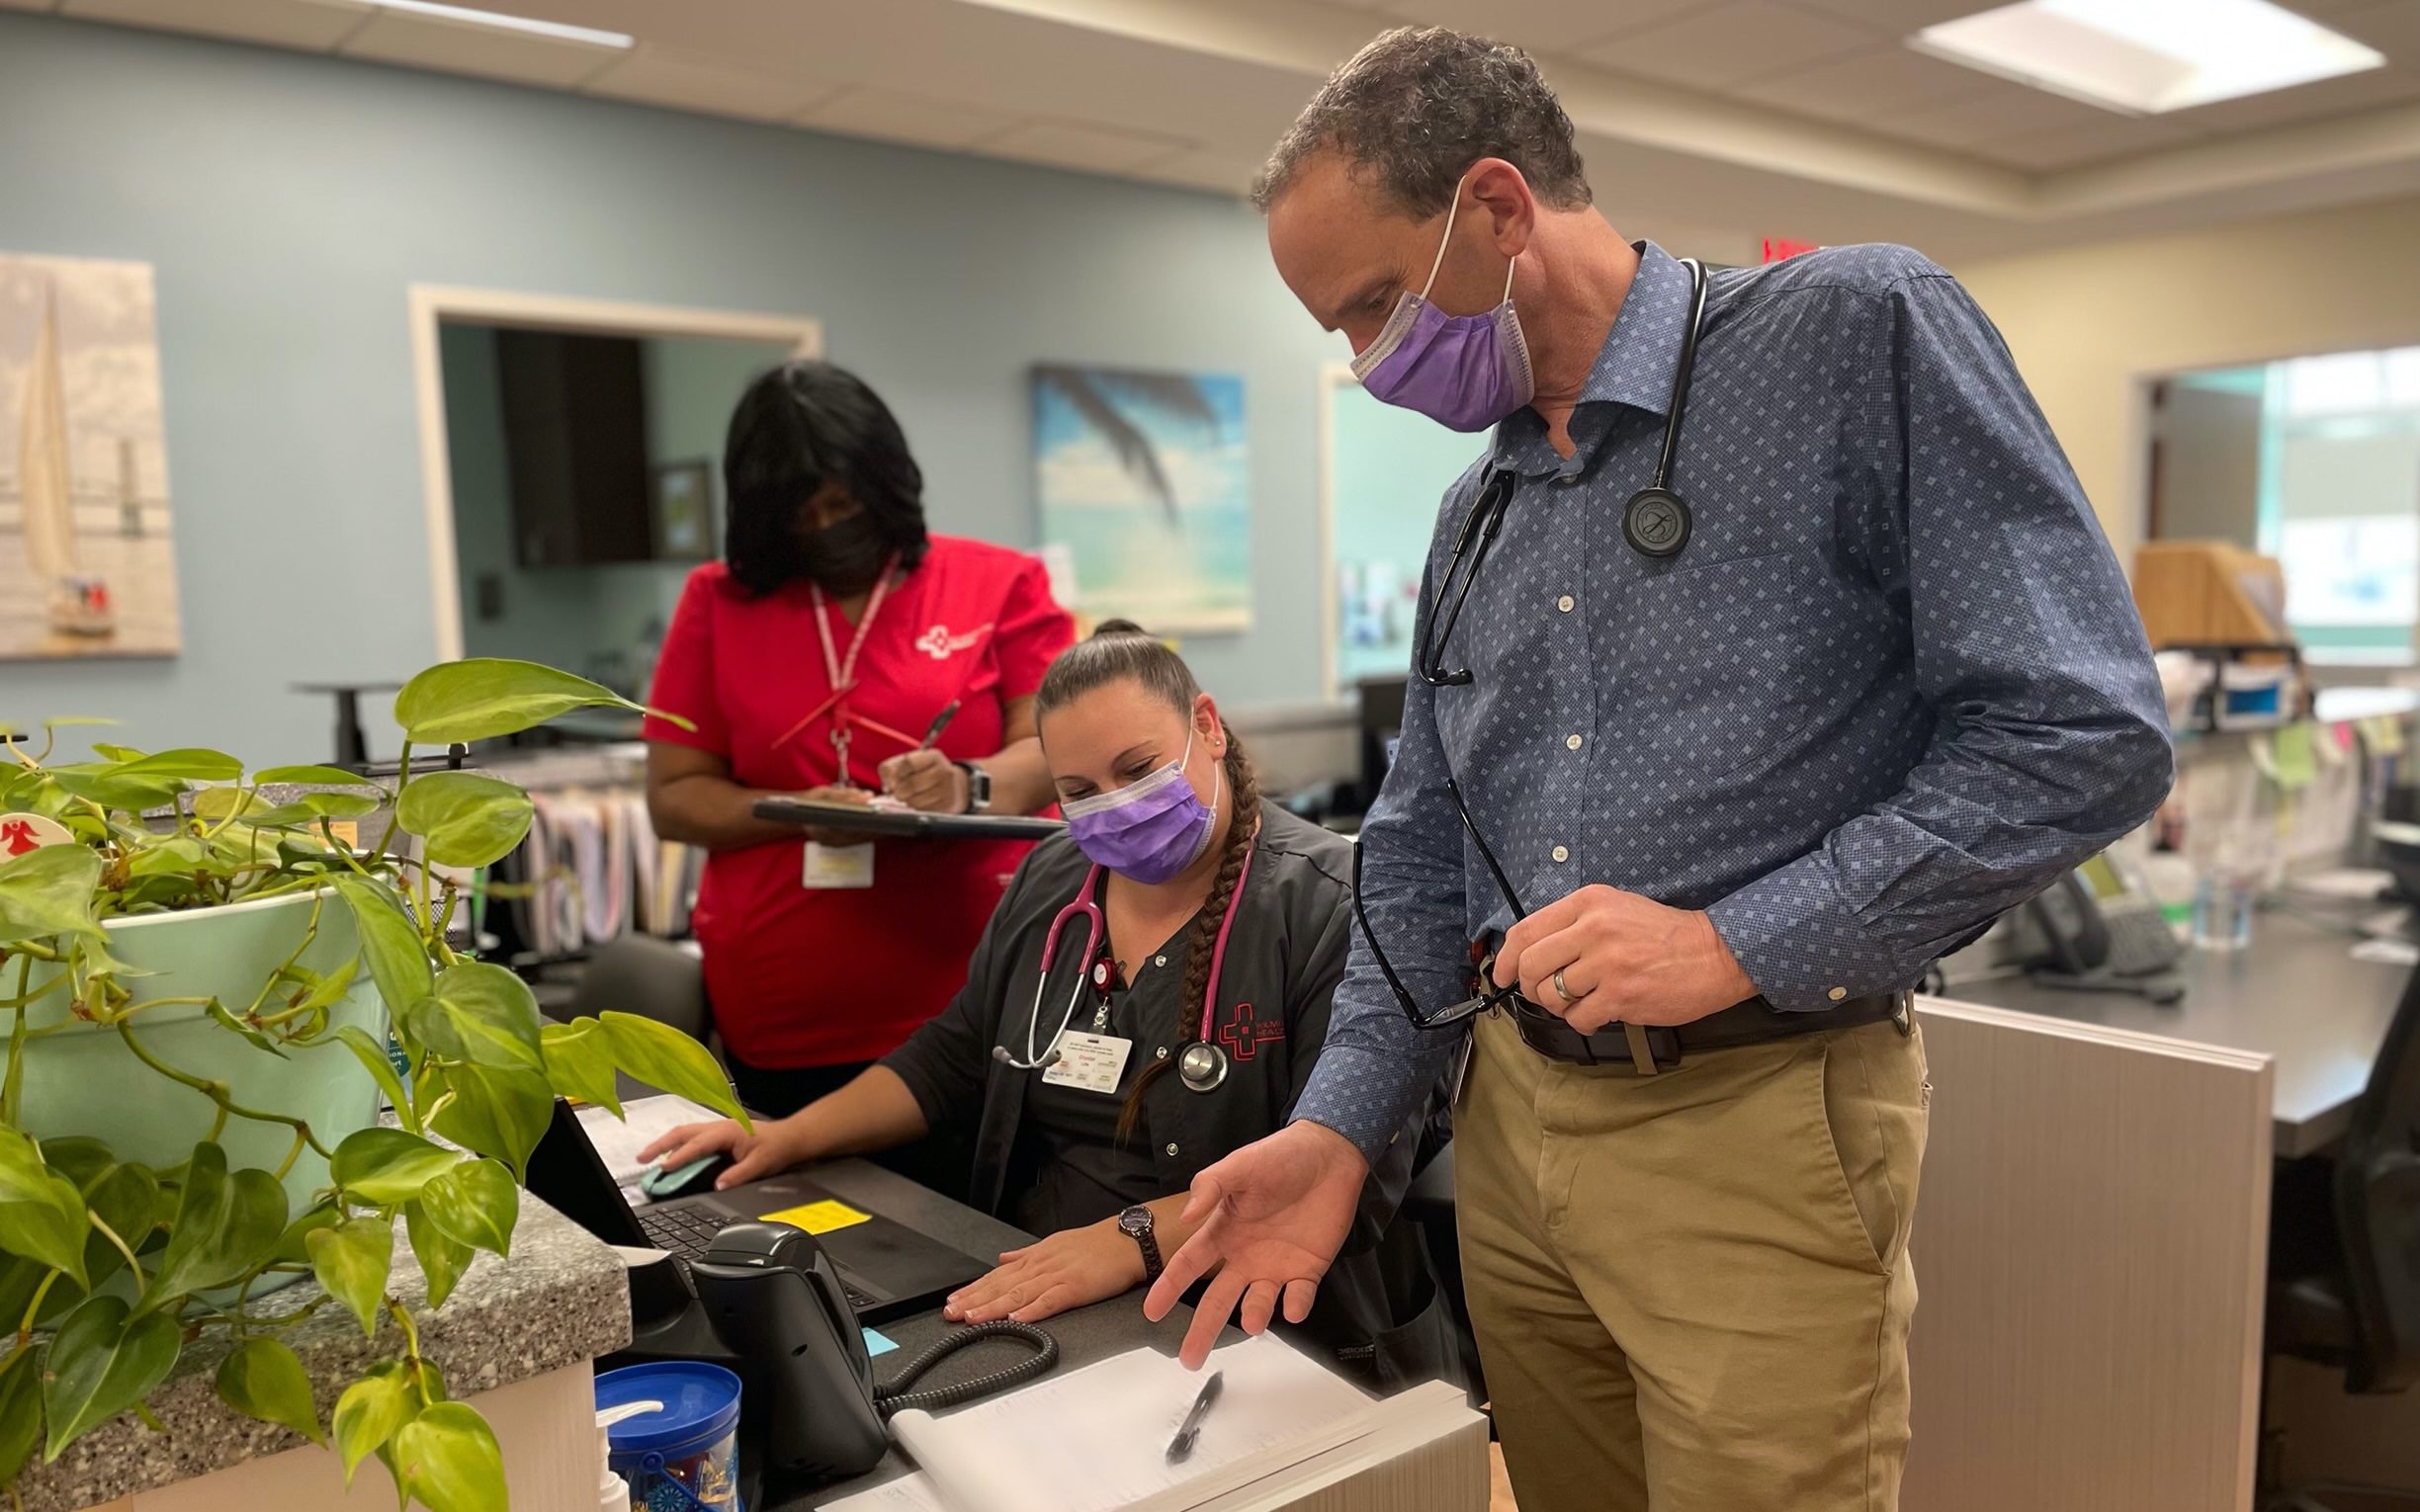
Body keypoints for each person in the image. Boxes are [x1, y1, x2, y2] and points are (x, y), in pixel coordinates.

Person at [1144, 28, 2174, 1512]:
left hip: (1757, 1117)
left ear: (1499, 208)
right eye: (1339, 333)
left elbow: (2083, 728)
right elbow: (1422, 850)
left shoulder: (1853, 332)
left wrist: (1731, 938)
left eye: (1375, 305)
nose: (1367, 365)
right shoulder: (1473, 511)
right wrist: (1340, 1122)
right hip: (1510, 1126)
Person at [641, 623, 1457, 1386]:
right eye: (1079, 789)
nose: (1115, 807)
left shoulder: (1333, 905)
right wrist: (784, 1136)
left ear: (1206, 726)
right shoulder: (1054, 880)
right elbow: (954, 1056)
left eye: (1139, 771)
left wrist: (1124, 1242)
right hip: (1038, 1278)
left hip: (1260, 1317)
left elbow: (1319, 1168)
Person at [643, 361, 1074, 1127]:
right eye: (795, 516)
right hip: (784, 1011)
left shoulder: (1000, 583)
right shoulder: (717, 601)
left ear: (883, 482)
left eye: (840, 505)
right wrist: (792, 811)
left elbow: (1051, 750)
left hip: (977, 994)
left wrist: (965, 787)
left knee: (980, 1227)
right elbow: (675, 797)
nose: (822, 530)